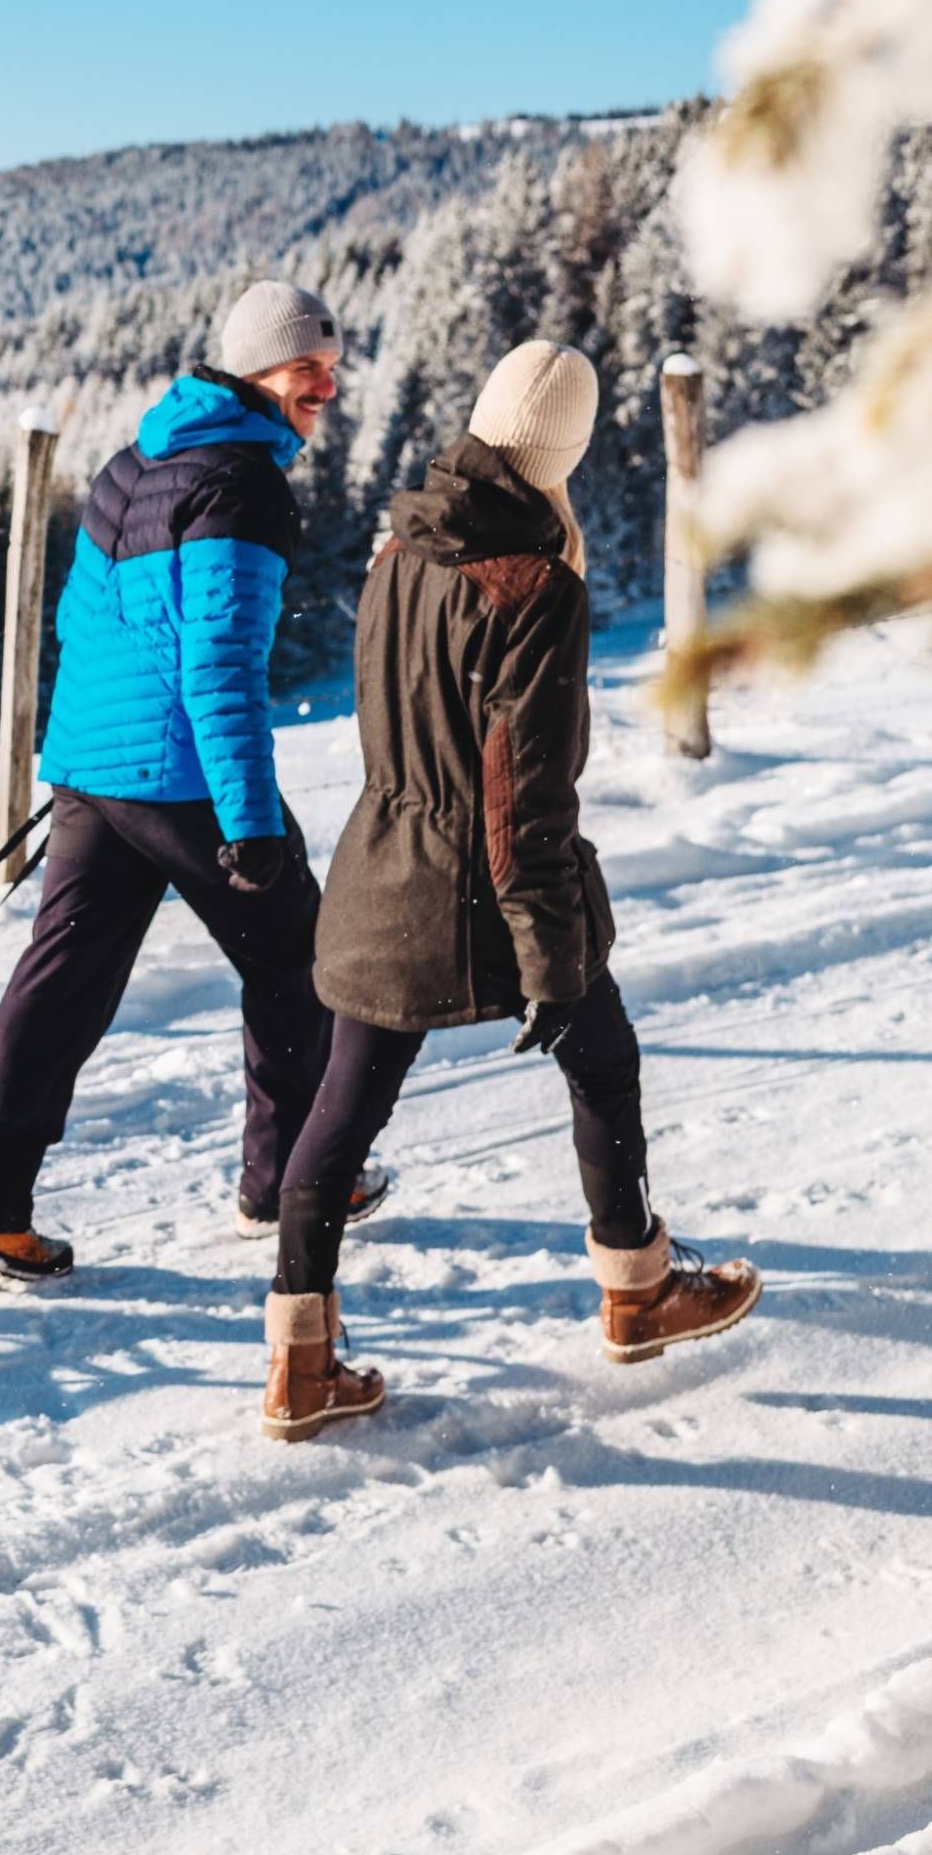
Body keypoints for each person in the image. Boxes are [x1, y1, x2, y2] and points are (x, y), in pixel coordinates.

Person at [259, 341, 762, 1442]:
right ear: (565, 453)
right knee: (605, 1061)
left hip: (381, 868)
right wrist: (548, 951)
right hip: (485, 890)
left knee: (339, 1116)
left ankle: (298, 1364)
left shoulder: (402, 545)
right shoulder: (534, 581)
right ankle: (636, 1290)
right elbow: (521, 791)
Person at [0, 279, 386, 1281]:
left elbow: (77, 622)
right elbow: (218, 664)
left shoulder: (140, 457)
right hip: (180, 771)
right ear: (253, 367)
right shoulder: (242, 484)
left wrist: (80, 759)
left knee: (62, 982)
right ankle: (289, 1183)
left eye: (332, 366)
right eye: (306, 365)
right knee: (306, 961)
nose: (326, 384)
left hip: (101, 768)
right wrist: (251, 820)